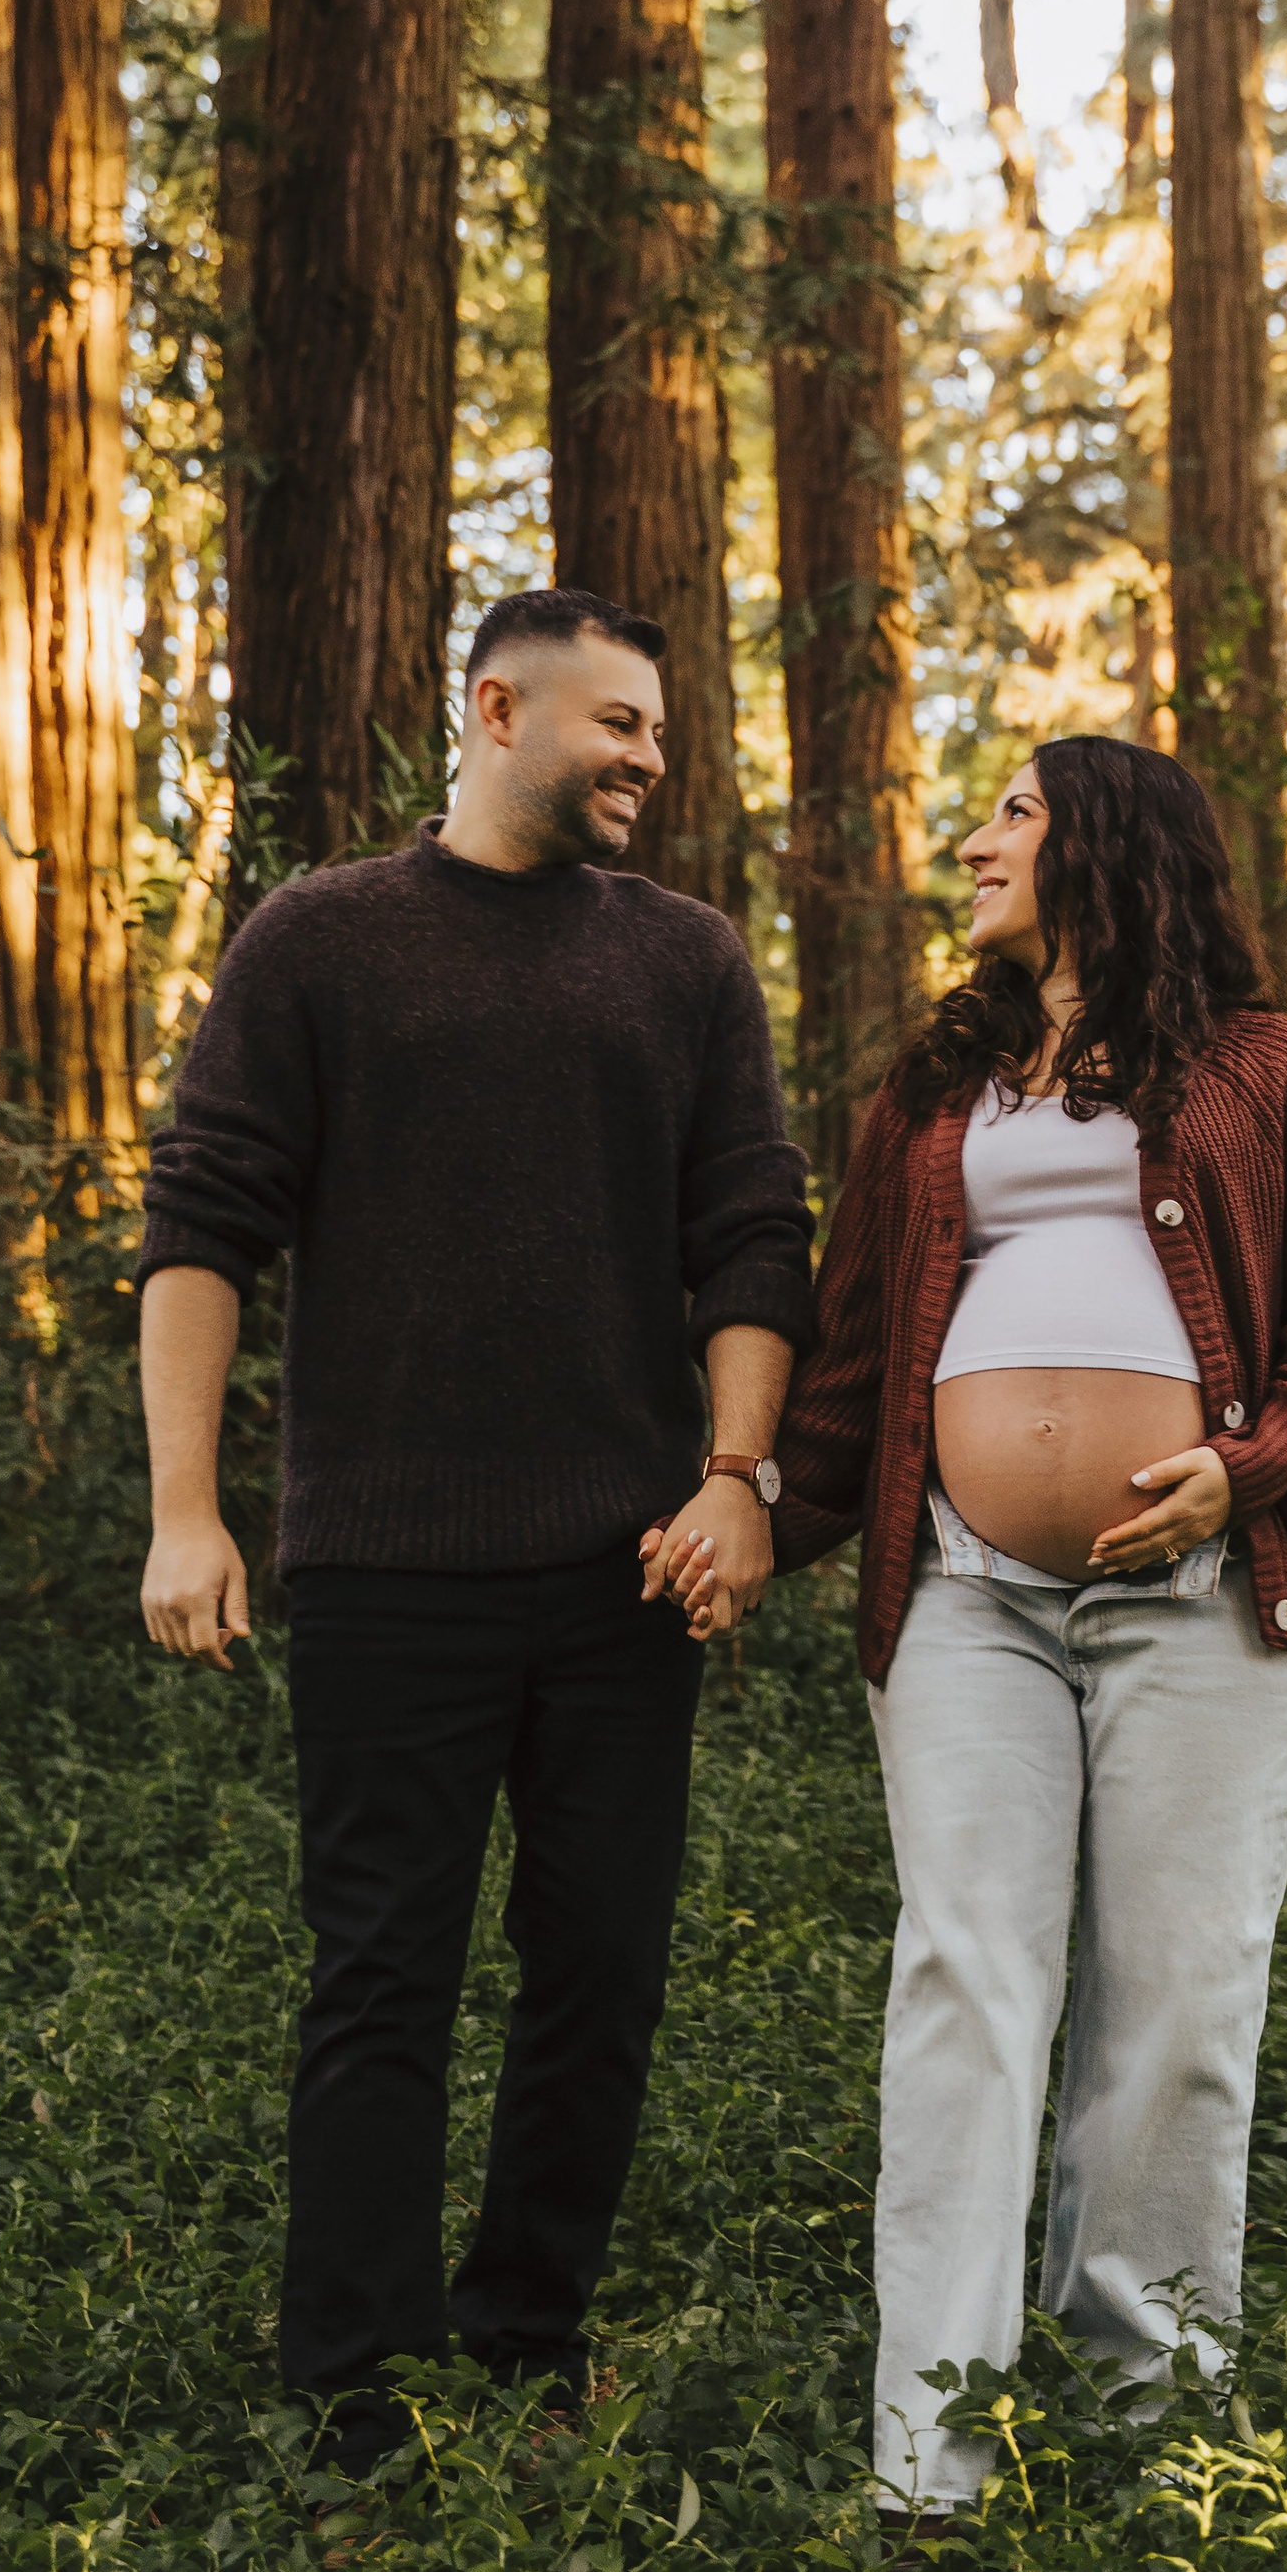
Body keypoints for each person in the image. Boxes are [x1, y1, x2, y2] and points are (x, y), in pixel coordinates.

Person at [682, 734, 1287, 2519]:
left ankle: (1148, 2445)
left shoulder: (1267, 1072)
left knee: (1173, 2010)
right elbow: (856, 1363)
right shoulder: (936, 1102)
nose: (975, 840)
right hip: (963, 1595)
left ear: (1108, 844)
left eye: (1011, 810)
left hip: (1203, 1602)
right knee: (968, 1987)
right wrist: (757, 1508)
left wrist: (1245, 1473)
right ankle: (929, 2457)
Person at [137, 587, 813, 2476]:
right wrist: (188, 1514)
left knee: (601, 1970)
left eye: (661, 735)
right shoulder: (323, 938)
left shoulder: (686, 961)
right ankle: (349, 2394)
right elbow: (202, 1225)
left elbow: (753, 1235)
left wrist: (736, 1474)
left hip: (626, 1570)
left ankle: (528, 2345)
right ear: (498, 709)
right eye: (619, 726)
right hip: (383, 1573)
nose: (648, 764)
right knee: (383, 1978)